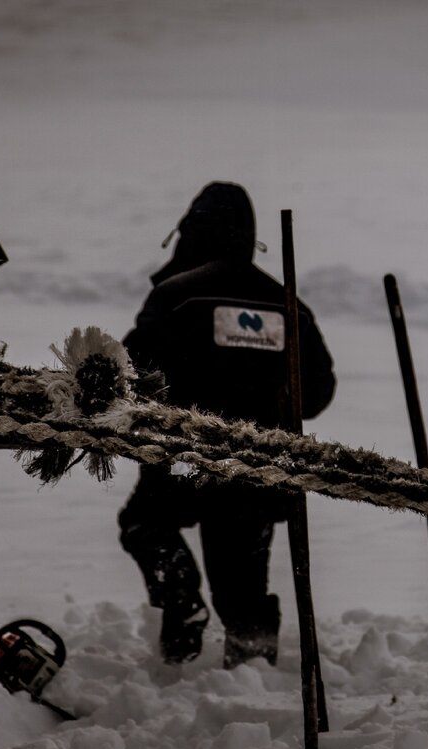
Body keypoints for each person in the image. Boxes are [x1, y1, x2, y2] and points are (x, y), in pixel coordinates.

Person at [119, 181, 336, 668]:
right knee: (242, 582)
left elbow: (132, 375)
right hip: (257, 472)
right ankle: (252, 665)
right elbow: (318, 393)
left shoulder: (175, 297)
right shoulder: (287, 306)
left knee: (145, 523)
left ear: (190, 232)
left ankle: (181, 608)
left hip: (186, 467)